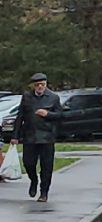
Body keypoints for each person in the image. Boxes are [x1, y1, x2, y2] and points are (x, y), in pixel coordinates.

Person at [13, 73, 62, 203]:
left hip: (47, 137)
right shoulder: (27, 97)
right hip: (30, 137)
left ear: (46, 85)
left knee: (46, 167)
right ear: (33, 86)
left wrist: (48, 114)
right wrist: (15, 136)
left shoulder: (53, 98)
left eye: (42, 84)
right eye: (37, 85)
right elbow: (20, 117)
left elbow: (60, 115)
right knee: (28, 163)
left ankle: (44, 192)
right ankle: (33, 180)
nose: (40, 87)